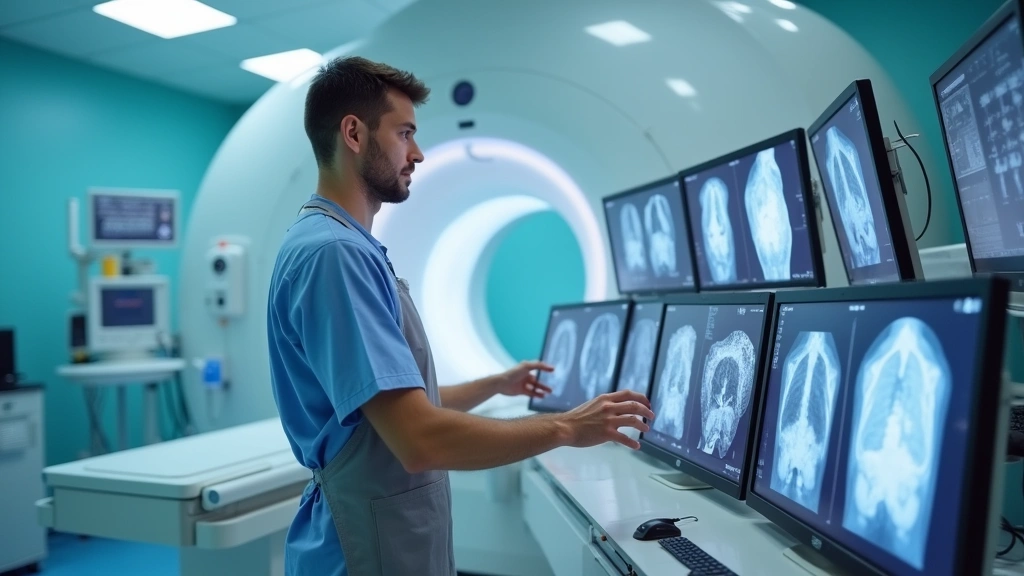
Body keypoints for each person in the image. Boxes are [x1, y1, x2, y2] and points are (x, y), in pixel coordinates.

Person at [267, 55, 654, 576]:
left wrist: (498, 382)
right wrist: (566, 426)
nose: (419, 153)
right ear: (354, 134)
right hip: (360, 548)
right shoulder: (335, 255)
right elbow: (419, 439)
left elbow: (386, 408)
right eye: (404, 134)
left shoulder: (342, 245)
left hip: (377, 532)